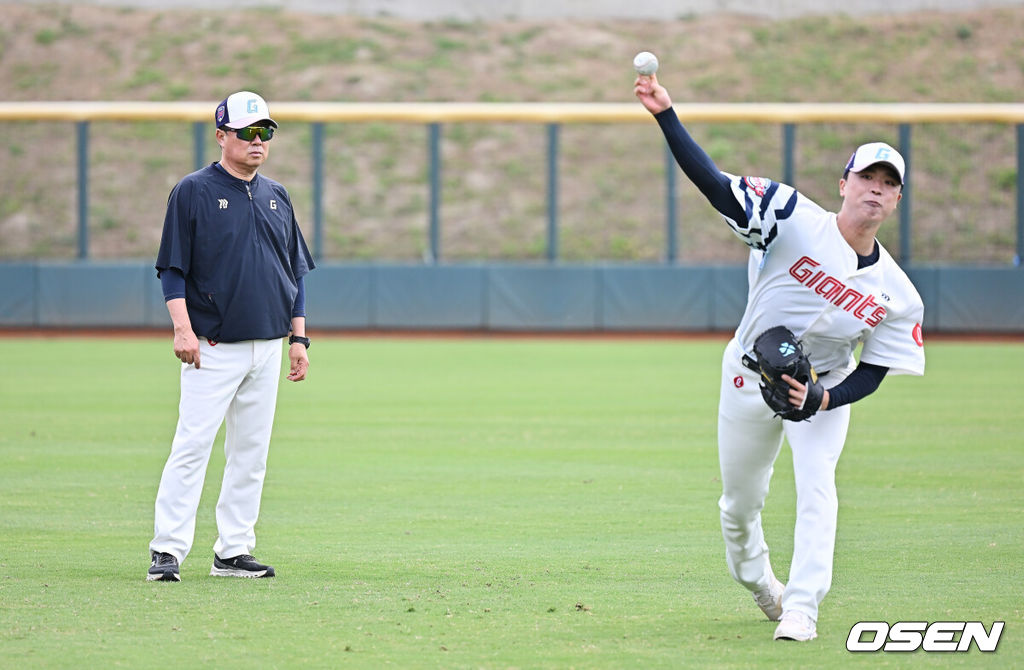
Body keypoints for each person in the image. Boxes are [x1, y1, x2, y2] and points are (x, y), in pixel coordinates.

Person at [634, 71, 925, 640]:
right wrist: (666, 115)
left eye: (888, 183)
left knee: (819, 486)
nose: (875, 188)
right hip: (746, 377)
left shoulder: (899, 293)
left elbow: (876, 367)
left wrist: (825, 397)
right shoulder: (789, 218)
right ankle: (760, 584)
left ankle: (803, 607)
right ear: (843, 183)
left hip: (826, 387)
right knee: (740, 505)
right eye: (866, 175)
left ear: (896, 199)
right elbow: (716, 186)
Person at [147, 91, 315, 582]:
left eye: (265, 132)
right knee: (192, 446)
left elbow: (295, 272)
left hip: (266, 347)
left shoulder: (276, 194)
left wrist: (299, 338)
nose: (258, 141)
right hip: (213, 348)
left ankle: (233, 550)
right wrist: (182, 328)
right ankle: (168, 550)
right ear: (222, 136)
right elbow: (172, 269)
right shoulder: (194, 191)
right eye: (248, 133)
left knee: (251, 453)